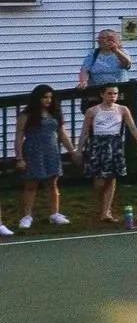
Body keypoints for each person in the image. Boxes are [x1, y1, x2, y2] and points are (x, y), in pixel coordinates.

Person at [15, 84, 70, 231]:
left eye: (50, 97)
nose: (48, 100)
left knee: (52, 183)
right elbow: (19, 136)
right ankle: (27, 216)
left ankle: (54, 214)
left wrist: (72, 150)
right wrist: (19, 157)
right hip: (33, 151)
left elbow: (62, 134)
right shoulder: (26, 115)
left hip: (51, 151)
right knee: (31, 185)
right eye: (45, 97)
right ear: (37, 98)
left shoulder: (55, 114)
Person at [83, 81, 132, 226]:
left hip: (114, 143)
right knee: (99, 180)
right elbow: (85, 131)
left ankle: (106, 211)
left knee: (111, 178)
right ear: (102, 95)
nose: (113, 96)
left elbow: (132, 128)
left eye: (115, 93)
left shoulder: (122, 109)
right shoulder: (93, 111)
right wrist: (78, 149)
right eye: (109, 93)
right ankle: (100, 206)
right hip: (99, 144)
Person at [75, 26, 133, 94]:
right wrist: (83, 81)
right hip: (97, 92)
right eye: (98, 38)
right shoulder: (94, 53)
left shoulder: (122, 52)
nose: (99, 40)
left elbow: (127, 64)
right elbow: (85, 69)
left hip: (118, 92)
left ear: (112, 40)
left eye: (102, 38)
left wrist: (116, 50)